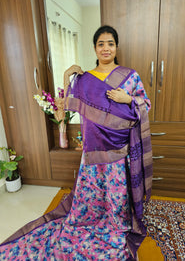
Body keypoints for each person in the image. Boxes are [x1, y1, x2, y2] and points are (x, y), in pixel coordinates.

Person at [0, 25, 152, 261]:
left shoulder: (130, 76)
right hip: (92, 152)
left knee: (116, 199)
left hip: (117, 152)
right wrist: (65, 75)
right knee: (88, 200)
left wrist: (128, 98)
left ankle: (115, 223)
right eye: (101, 44)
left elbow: (146, 105)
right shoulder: (85, 79)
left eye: (110, 43)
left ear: (116, 47)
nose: (105, 48)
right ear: (94, 48)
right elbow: (62, 109)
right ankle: (87, 221)